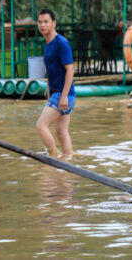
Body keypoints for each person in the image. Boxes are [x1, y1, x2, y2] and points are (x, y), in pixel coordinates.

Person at [35, 9, 75, 158]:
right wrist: (49, 91)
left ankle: (53, 157)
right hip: (58, 93)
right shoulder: (48, 44)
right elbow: (52, 71)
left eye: (46, 22)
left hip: (63, 94)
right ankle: (68, 161)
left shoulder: (61, 43)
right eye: (40, 22)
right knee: (61, 131)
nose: (43, 25)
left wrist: (63, 96)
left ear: (54, 23)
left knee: (41, 125)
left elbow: (70, 70)